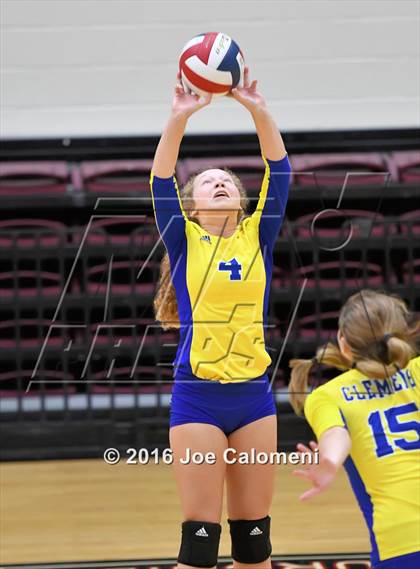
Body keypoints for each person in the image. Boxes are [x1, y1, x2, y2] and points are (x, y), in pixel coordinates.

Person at [150, 67, 291, 568]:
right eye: (207, 182)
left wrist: (258, 109)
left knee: (254, 543)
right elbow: (160, 179)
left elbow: (281, 170)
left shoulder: (258, 235)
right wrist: (178, 121)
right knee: (201, 541)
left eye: (226, 181)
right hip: (199, 398)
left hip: (254, 396)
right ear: (190, 206)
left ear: (242, 197)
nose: (217, 183)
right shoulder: (185, 240)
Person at [288, 289, 420, 569]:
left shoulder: (327, 395)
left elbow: (336, 435)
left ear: (344, 343)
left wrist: (329, 462)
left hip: (401, 539)